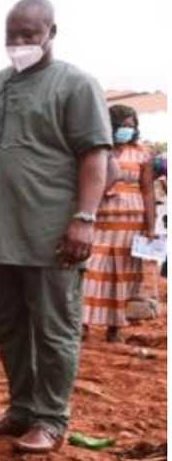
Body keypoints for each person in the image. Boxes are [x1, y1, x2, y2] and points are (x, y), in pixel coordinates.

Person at [0, 0, 111, 454]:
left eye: (29, 35)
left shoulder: (76, 85)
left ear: (51, 33)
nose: (19, 45)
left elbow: (95, 156)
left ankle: (51, 418)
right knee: (9, 325)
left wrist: (84, 219)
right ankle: (21, 408)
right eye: (12, 36)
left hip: (52, 234)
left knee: (55, 327)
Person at [82, 104, 155, 342]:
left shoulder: (142, 153)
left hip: (131, 223)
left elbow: (147, 191)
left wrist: (151, 226)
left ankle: (115, 327)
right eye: (123, 126)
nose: (127, 130)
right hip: (100, 219)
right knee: (91, 270)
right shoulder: (99, 151)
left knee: (124, 275)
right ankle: (82, 323)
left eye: (131, 127)